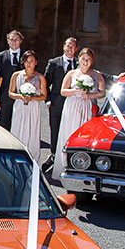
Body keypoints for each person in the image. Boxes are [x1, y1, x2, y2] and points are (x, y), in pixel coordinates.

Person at [53, 48, 107, 178]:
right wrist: (77, 92)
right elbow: (63, 91)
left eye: (88, 59)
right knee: (69, 132)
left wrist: (90, 96)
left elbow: (102, 93)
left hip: (87, 106)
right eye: (83, 59)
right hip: (72, 106)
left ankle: (82, 166)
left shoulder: (96, 75)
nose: (85, 62)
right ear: (79, 59)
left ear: (92, 61)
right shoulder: (71, 74)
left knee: (84, 136)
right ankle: (64, 167)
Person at [44, 37, 80, 168]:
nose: (70, 48)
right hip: (56, 103)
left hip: (74, 104)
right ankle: (54, 155)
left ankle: (69, 156)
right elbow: (46, 83)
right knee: (55, 129)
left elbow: (96, 75)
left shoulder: (79, 63)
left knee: (71, 129)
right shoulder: (54, 63)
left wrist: (115, 78)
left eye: (73, 46)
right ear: (63, 47)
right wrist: (47, 101)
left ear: (76, 49)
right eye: (68, 46)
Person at [8, 50, 47, 162]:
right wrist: (21, 96)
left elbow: (43, 96)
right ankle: (15, 155)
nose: (28, 63)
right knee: (17, 128)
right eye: (26, 61)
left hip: (33, 107)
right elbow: (10, 93)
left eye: (31, 61)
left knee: (32, 130)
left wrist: (32, 97)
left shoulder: (40, 77)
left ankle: (32, 158)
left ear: (36, 62)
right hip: (19, 106)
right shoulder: (16, 75)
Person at [0, 29, 25, 130]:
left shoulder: (26, 56)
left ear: (20, 41)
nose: (14, 42)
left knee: (20, 121)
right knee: (4, 121)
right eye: (11, 39)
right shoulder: (1, 56)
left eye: (16, 39)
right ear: (8, 40)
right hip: (5, 94)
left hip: (22, 94)